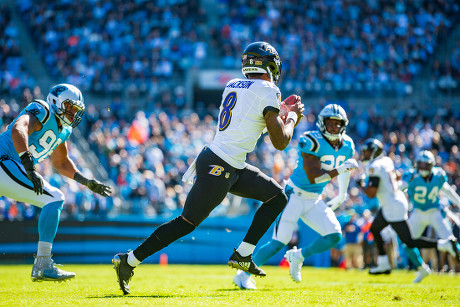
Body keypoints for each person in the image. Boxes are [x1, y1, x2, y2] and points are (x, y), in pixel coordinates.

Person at [112, 41, 305, 295]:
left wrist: (279, 112)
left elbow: (251, 112)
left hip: (228, 162)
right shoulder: (269, 89)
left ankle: (243, 254)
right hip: (221, 164)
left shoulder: (233, 84)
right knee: (186, 223)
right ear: (270, 65)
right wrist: (291, 117)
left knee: (277, 197)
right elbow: (280, 142)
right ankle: (129, 261)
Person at [233, 104, 358, 289]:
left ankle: (298, 256)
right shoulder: (311, 140)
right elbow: (314, 177)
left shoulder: (347, 144)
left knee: (333, 235)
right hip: (293, 196)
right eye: (330, 123)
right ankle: (242, 274)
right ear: (322, 123)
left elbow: (345, 167)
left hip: (314, 199)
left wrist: (342, 193)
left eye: (337, 124)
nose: (333, 127)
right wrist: (340, 170)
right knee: (278, 242)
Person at [0, 84, 112, 282]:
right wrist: (28, 165)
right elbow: (19, 128)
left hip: (11, 167)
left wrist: (87, 181)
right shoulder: (42, 109)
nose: (73, 113)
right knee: (54, 198)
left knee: (53, 198)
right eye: (70, 107)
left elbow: (61, 163)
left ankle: (43, 263)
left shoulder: (64, 130)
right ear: (56, 101)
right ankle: (43, 264)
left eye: (76, 110)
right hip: (5, 160)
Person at [356, 139, 459, 283]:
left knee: (409, 242)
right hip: (396, 204)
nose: (364, 155)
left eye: (367, 152)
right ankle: (385, 263)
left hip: (396, 207)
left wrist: (360, 184)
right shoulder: (386, 160)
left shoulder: (374, 166)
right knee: (375, 229)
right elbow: (397, 179)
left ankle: (442, 245)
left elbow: (371, 193)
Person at [403, 150, 460, 266]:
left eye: (426, 165)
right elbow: (399, 188)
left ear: (432, 165)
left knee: (451, 242)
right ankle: (422, 269)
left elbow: (448, 190)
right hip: (418, 213)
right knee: (407, 243)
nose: (423, 168)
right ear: (416, 165)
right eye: (421, 164)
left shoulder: (438, 176)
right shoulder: (412, 176)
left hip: (435, 212)